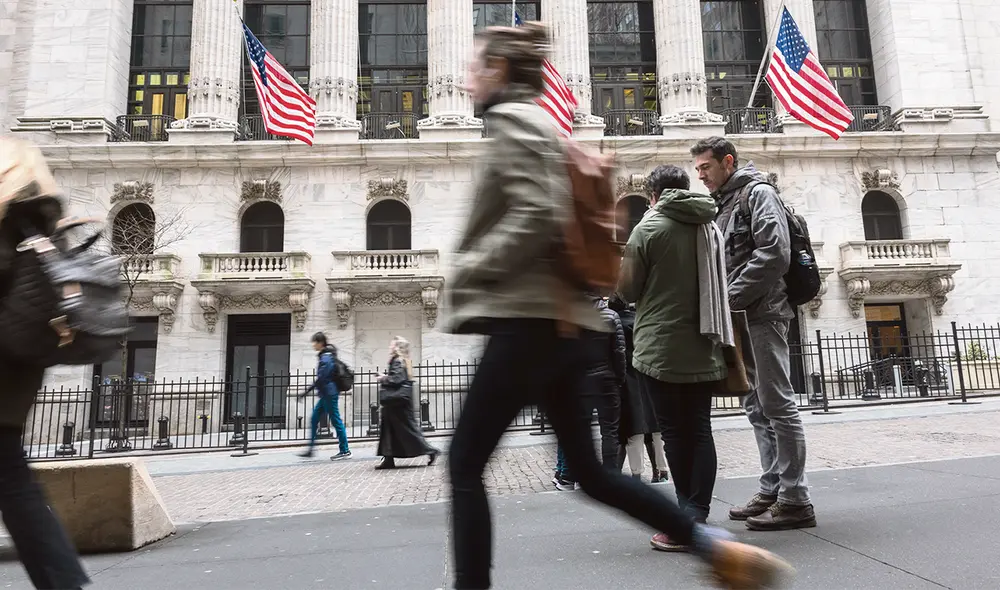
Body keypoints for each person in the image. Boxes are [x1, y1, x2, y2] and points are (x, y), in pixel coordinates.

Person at [443, 23, 793, 590]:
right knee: (589, 472)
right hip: (565, 325)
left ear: (499, 70)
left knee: (464, 463)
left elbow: (536, 216)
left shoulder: (512, 123)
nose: (465, 81)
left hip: (528, 323)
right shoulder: (542, 125)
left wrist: (471, 268)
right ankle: (717, 550)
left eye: (474, 68)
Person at [692, 137, 816, 531]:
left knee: (778, 404)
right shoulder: (723, 203)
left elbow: (774, 253)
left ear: (727, 161)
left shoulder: (758, 193)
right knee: (756, 407)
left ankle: (796, 499)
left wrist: (729, 298)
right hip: (740, 317)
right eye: (697, 169)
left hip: (762, 313)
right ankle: (772, 489)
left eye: (706, 167)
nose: (700, 175)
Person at [620, 163, 733, 552]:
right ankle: (698, 511)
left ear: (653, 196)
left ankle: (686, 522)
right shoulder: (708, 223)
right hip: (705, 340)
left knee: (673, 433)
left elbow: (627, 291)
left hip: (660, 347)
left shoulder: (648, 228)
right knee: (699, 429)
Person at [0, 137, 91, 589]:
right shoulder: (38, 221)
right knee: (15, 485)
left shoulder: (11, 226)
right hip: (17, 372)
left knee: (15, 486)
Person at [608, 295, 668, 484]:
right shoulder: (641, 321)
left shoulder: (613, 324)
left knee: (633, 431)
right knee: (655, 430)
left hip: (627, 381)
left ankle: (636, 474)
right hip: (648, 377)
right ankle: (662, 470)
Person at [375, 336, 440, 470]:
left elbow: (396, 380)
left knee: (408, 431)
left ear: (397, 347)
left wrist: (383, 378)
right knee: (391, 431)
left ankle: (430, 450)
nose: (390, 347)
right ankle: (388, 459)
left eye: (392, 345)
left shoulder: (398, 361)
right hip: (399, 402)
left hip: (397, 403)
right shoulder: (405, 361)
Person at [298, 332, 351, 460]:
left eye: (314, 342)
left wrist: (307, 391)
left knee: (336, 421)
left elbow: (322, 378)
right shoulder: (325, 356)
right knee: (314, 419)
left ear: (320, 343)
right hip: (326, 394)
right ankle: (310, 449)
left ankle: (345, 450)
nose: (313, 345)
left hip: (329, 394)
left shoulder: (326, 358)